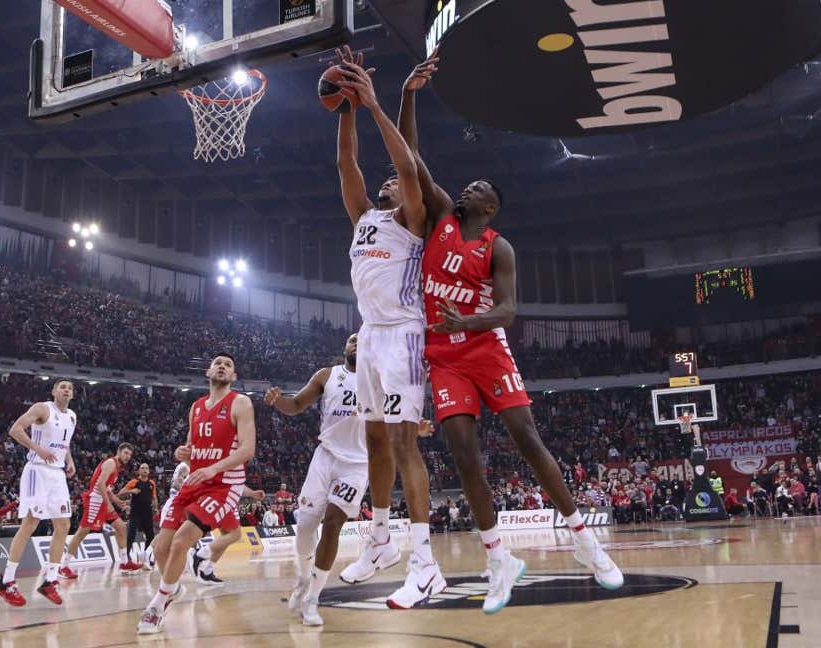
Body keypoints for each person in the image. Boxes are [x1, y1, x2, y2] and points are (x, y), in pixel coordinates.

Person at [395, 53, 623, 611]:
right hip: (442, 357)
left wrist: (465, 321)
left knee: (527, 440)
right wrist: (408, 95)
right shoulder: (441, 215)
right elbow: (410, 157)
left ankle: (585, 541)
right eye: (467, 184)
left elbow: (508, 312)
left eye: (478, 187)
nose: (467, 187)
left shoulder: (497, 246)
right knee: (464, 454)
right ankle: (499, 557)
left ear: (490, 206)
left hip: (484, 348)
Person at [331, 46, 443, 609]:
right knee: (375, 438)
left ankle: (425, 563)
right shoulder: (365, 219)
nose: (388, 183)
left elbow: (405, 164)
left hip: (403, 333)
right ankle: (379, 539)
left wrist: (377, 103)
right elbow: (347, 166)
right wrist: (346, 105)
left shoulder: (413, 221)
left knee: (403, 444)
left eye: (397, 183)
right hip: (369, 335)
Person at [137, 353, 256, 635]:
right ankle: (173, 586)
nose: (223, 367)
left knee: (181, 542)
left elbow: (247, 450)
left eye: (229, 365)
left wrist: (212, 467)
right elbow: (193, 452)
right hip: (195, 481)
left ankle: (158, 603)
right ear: (208, 371)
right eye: (218, 363)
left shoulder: (240, 403)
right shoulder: (197, 407)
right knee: (160, 546)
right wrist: (184, 454)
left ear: (234, 376)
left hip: (224, 484)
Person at [266, 333, 374, 626]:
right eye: (351, 340)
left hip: (357, 465)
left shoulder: (378, 378)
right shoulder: (328, 375)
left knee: (332, 523)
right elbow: (298, 403)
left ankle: (313, 599)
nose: (356, 343)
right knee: (305, 526)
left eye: (361, 339)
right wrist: (279, 402)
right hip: (325, 457)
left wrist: (417, 429)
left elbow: (394, 417)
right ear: (345, 348)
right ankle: (303, 579)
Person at [0, 380, 79, 607]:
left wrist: (69, 461)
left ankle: (50, 580)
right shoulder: (43, 408)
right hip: (37, 472)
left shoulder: (72, 416)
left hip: (57, 474)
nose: (66, 390)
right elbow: (15, 430)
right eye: (62, 386)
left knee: (63, 525)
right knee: (30, 524)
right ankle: (7, 580)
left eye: (70, 388)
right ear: (53, 391)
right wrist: (37, 448)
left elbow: (65, 443)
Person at [61, 443, 137, 579]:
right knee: (81, 533)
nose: (128, 457)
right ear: (118, 451)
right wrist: (109, 504)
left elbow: (107, 489)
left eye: (130, 455)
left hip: (103, 500)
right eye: (125, 453)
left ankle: (125, 562)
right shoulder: (111, 463)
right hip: (96, 501)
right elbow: (100, 484)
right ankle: (63, 566)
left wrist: (116, 501)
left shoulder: (116, 466)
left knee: (121, 527)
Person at [118, 462, 160, 570]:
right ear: (139, 471)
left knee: (151, 536)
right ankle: (126, 558)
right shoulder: (134, 482)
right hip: (135, 513)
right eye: (142, 468)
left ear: (149, 471)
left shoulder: (152, 483)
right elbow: (120, 493)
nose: (145, 470)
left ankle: (145, 556)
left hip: (147, 513)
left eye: (146, 468)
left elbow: (154, 497)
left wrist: (156, 508)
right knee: (131, 535)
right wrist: (131, 491)